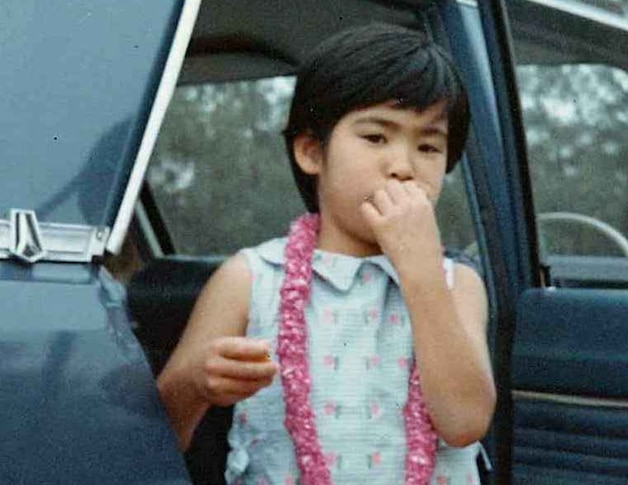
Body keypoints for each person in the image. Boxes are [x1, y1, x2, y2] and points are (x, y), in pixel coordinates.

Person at [156, 23, 496, 485]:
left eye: (428, 146)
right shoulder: (252, 278)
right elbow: (157, 434)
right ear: (312, 152)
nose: (403, 166)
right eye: (377, 137)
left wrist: (421, 275)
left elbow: (465, 423)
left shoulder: (456, 284)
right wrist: (196, 383)